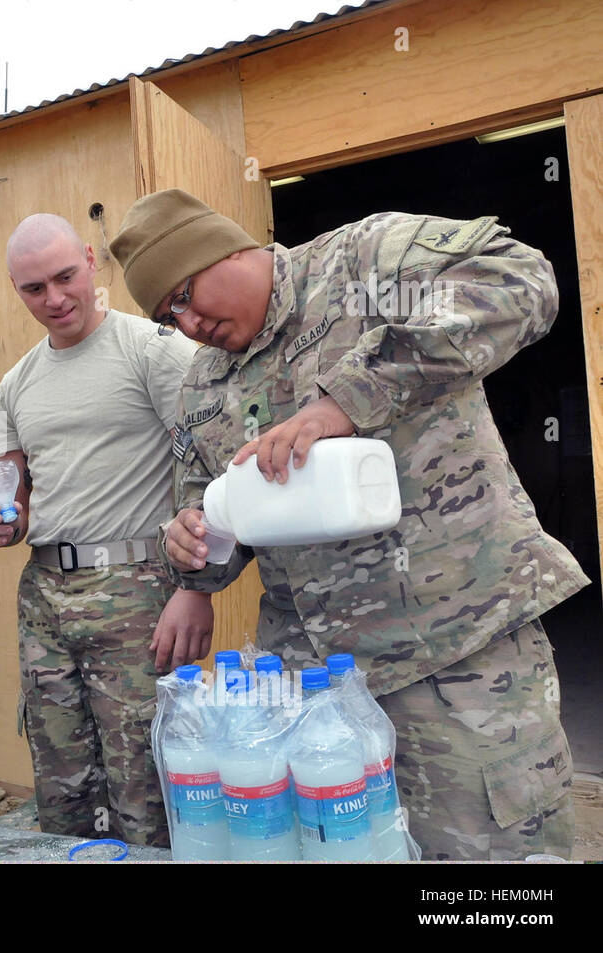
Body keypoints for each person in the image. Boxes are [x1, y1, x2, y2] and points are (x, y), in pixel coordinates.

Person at [111, 188, 586, 860]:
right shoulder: (201, 389)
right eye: (168, 315)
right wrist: (188, 548)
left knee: (494, 868)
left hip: (455, 659)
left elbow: (521, 281)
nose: (188, 322)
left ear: (227, 248)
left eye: (186, 292)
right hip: (319, 698)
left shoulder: (365, 260)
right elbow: (213, 524)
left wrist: (345, 399)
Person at [0, 213, 205, 847]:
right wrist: (0, 523)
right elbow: (11, 496)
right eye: (32, 289)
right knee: (61, 778)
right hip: (45, 593)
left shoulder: (154, 351)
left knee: (142, 776)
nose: (53, 299)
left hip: (137, 590)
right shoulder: (16, 384)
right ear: (14, 288)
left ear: (90, 261)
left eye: (65, 277)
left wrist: (197, 586)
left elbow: (211, 465)